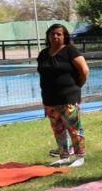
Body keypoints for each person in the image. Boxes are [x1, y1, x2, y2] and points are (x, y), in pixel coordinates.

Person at [37, 23, 89, 167]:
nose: (55, 36)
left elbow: (84, 71)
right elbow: (43, 77)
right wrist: (44, 101)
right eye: (52, 33)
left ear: (65, 36)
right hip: (50, 100)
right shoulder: (43, 54)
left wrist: (77, 86)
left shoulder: (70, 51)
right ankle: (64, 156)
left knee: (74, 128)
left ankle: (79, 156)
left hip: (68, 98)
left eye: (59, 34)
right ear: (48, 36)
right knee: (58, 130)